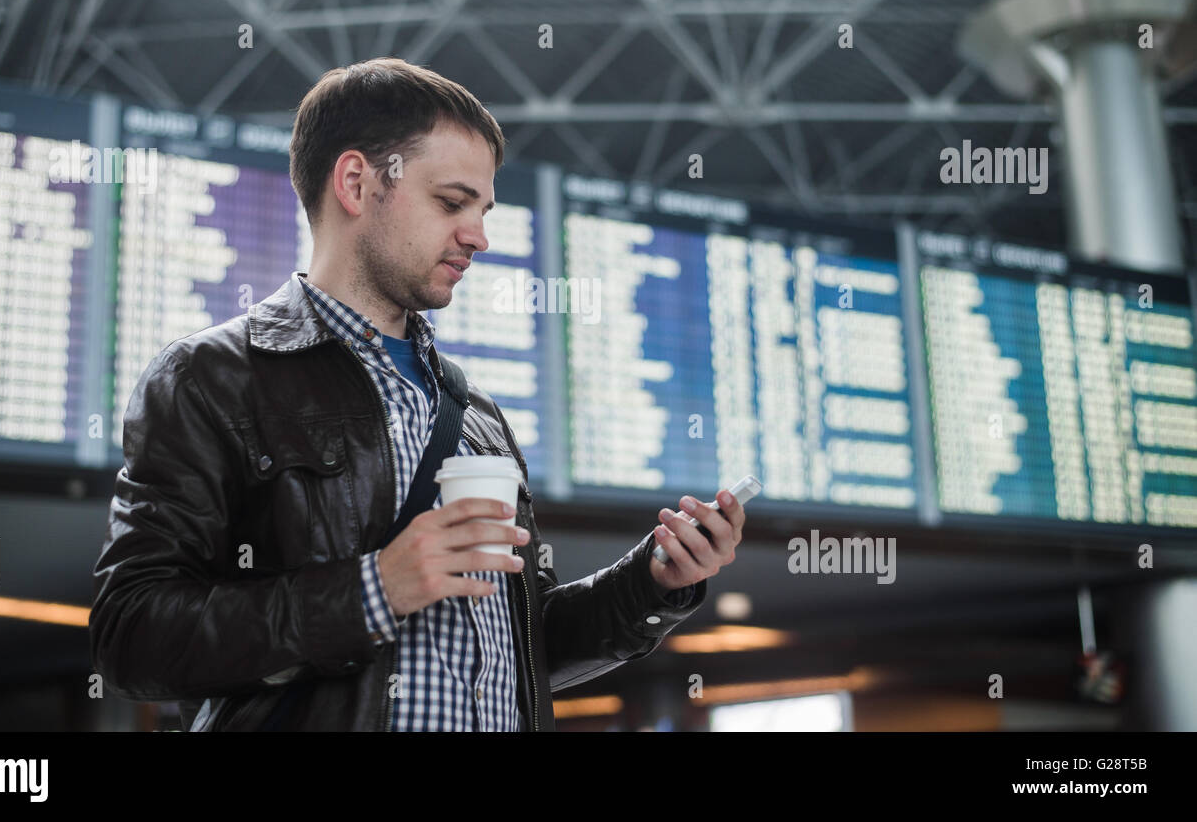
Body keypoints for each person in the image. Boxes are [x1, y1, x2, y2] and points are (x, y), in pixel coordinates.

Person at [89, 57, 744, 731]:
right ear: (356, 182)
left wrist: (654, 582)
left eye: (483, 210)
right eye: (452, 201)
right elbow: (131, 637)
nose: (479, 235)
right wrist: (374, 590)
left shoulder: (477, 415)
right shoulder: (212, 378)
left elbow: (524, 646)